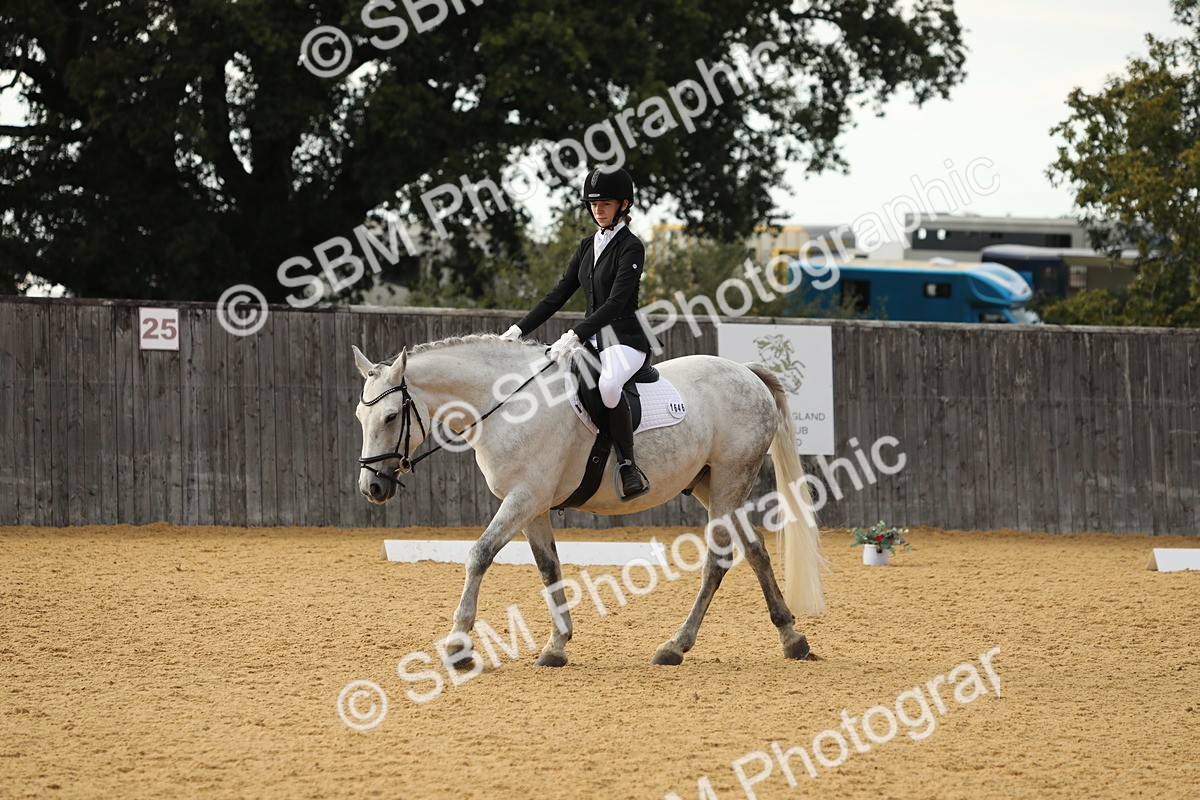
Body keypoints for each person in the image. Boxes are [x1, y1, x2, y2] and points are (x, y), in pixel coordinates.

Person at [501, 166, 656, 501]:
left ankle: (628, 464)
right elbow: (558, 295)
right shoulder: (587, 246)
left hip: (624, 340)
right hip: (591, 341)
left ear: (623, 205)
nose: (598, 210)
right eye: (593, 204)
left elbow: (616, 303)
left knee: (610, 383)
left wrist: (573, 334)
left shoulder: (632, 247)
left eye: (606, 204)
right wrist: (517, 330)